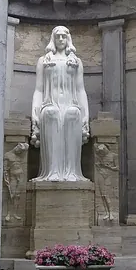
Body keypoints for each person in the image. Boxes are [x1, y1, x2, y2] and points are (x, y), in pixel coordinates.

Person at [31, 26, 89, 181]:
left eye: (64, 36)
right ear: (53, 39)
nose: (61, 39)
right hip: (50, 103)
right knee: (50, 113)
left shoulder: (76, 62)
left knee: (73, 114)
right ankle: (52, 171)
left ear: (68, 38)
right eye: (58, 37)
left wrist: (86, 115)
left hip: (71, 103)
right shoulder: (43, 61)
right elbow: (38, 90)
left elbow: (80, 89)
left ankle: (72, 172)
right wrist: (34, 112)